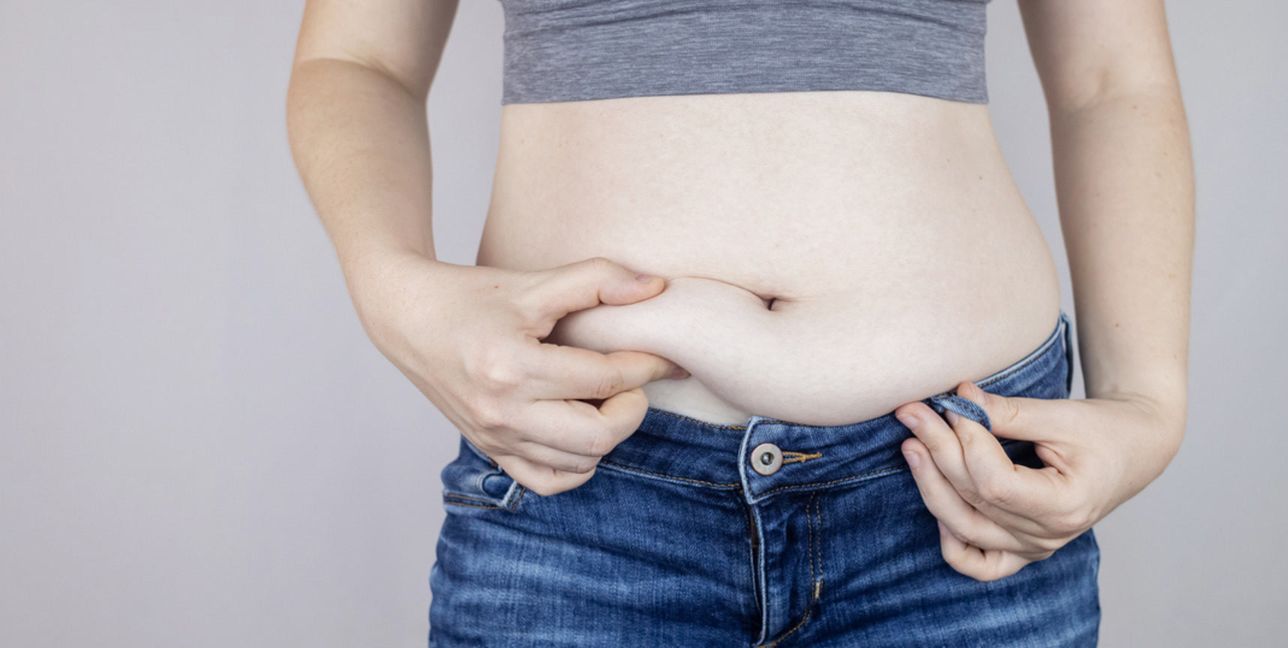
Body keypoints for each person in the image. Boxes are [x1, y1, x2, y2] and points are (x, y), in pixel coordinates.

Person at [286, 0, 1193, 644]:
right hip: (584, 491)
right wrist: (395, 289)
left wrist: (1149, 403)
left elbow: (1110, 79)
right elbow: (359, 59)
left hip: (958, 495)